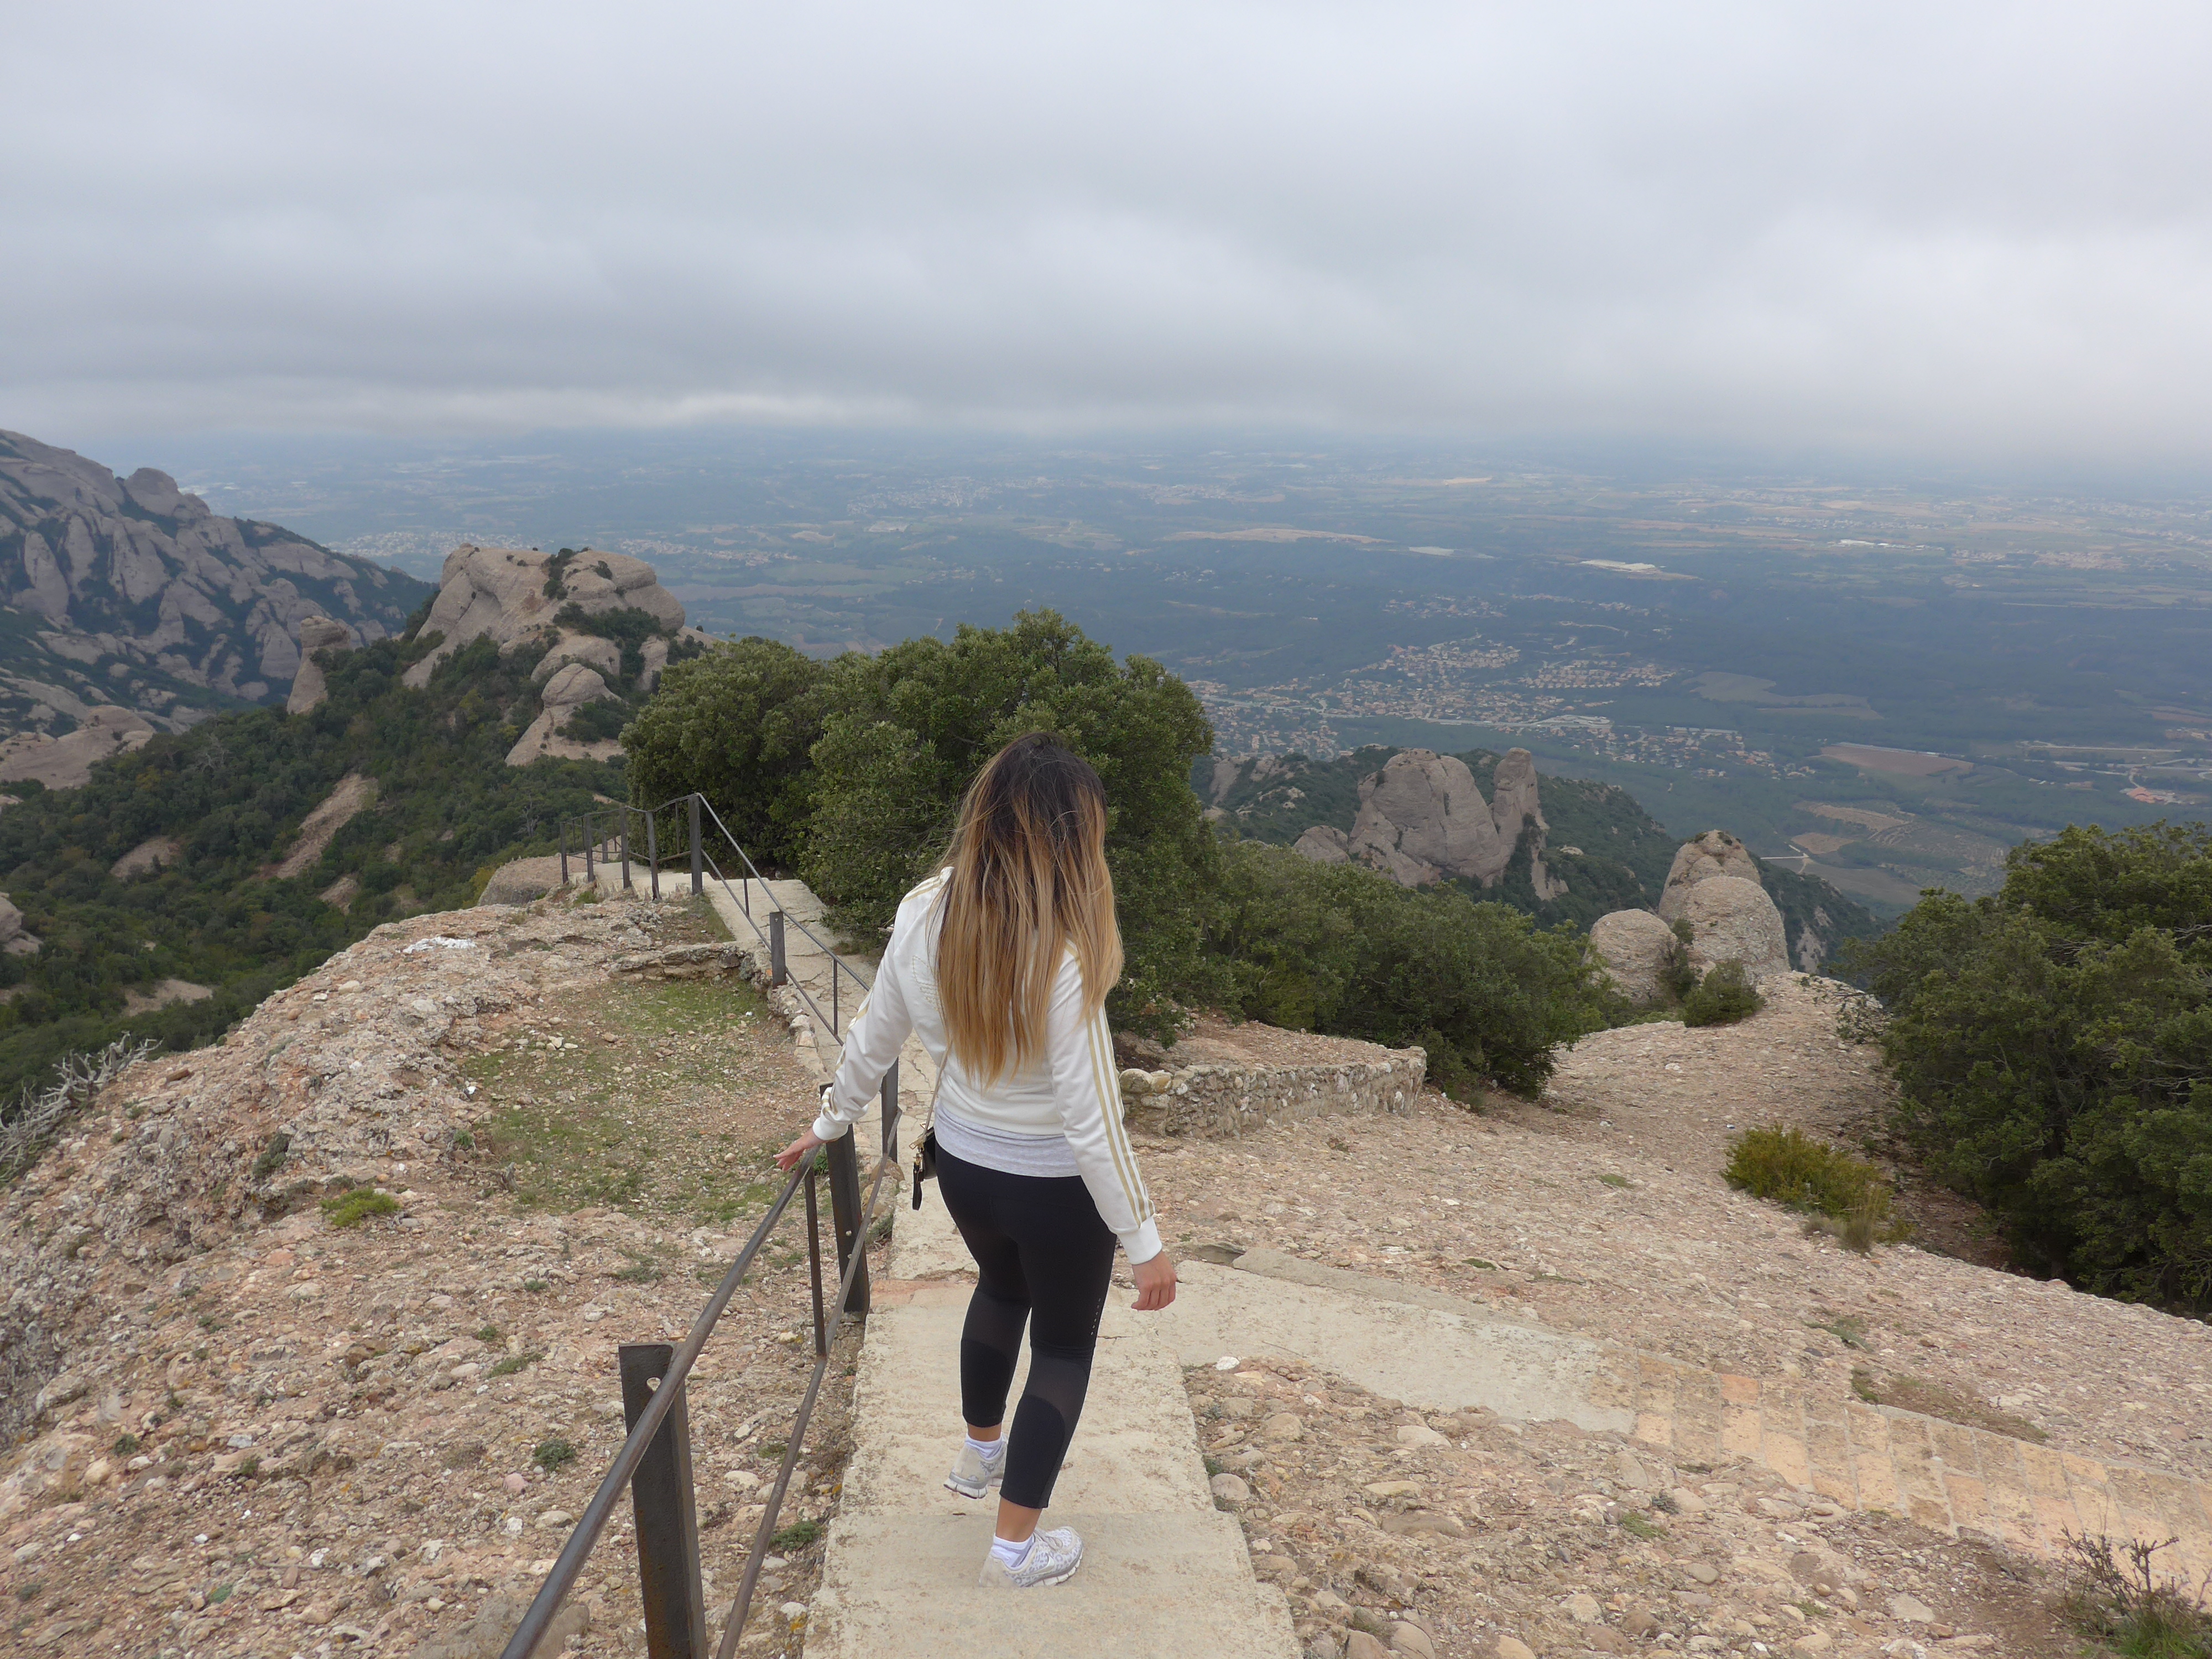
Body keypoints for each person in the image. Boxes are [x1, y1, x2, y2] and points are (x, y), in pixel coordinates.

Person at [777, 732, 1176, 1590]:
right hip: (1054, 1192)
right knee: (1065, 1353)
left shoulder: (927, 907)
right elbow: (1094, 1120)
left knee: (1000, 1293)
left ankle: (975, 1458)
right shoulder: (1066, 951)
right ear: (1074, 837)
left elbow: (876, 1031)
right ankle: (1015, 1551)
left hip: (963, 1166)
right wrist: (1144, 1241)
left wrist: (830, 1121)